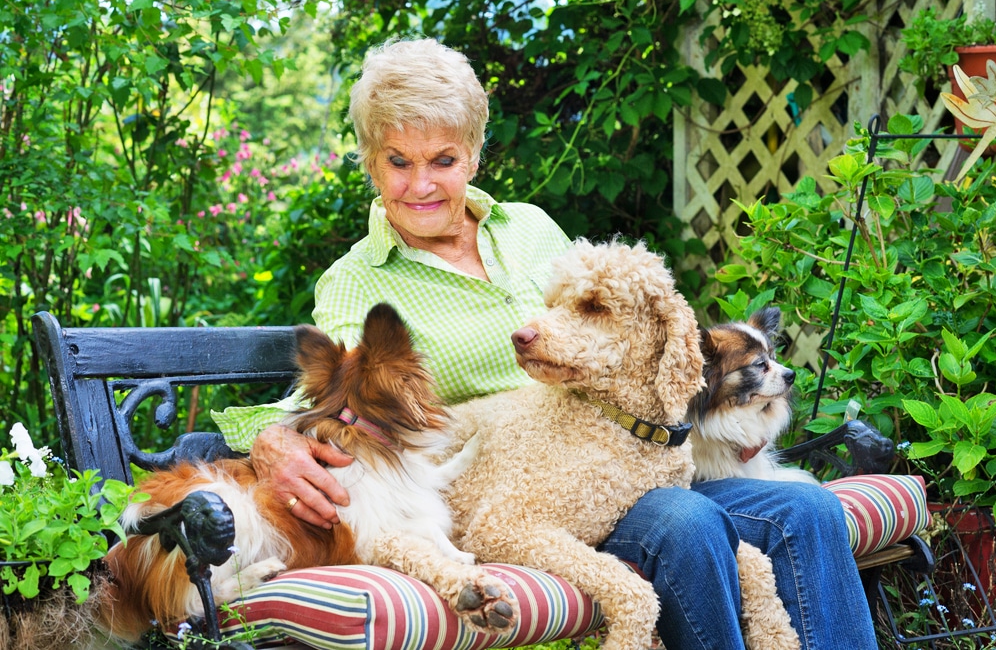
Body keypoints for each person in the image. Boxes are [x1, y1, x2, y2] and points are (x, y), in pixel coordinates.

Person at [212, 37, 877, 649]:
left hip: (634, 461)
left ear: (472, 154)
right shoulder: (357, 281)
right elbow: (327, 395)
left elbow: (627, 346)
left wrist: (714, 411)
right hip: (526, 499)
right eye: (398, 161)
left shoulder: (530, 229)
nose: (420, 184)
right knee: (686, 523)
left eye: (443, 159)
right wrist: (272, 440)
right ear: (371, 161)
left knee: (808, 508)